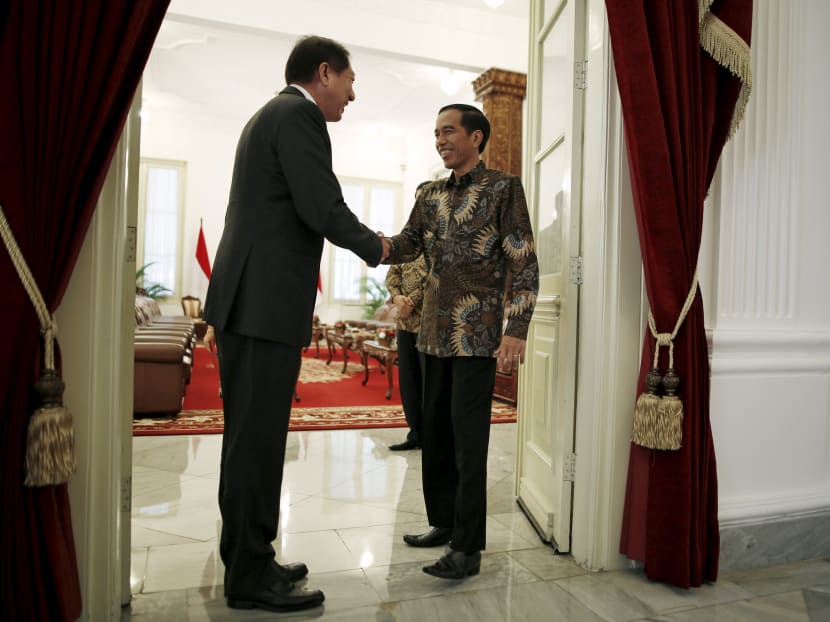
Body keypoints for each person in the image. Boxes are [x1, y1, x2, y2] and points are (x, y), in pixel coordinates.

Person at [203, 35, 390, 613]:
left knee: (250, 441)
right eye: (350, 82)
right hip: (261, 304)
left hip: (250, 300)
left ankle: (250, 553)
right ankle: (250, 577)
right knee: (256, 443)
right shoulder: (298, 116)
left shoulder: (270, 115)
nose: (352, 96)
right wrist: (380, 247)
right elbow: (321, 206)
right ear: (325, 73)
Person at [383, 104, 539, 580]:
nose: (440, 140)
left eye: (448, 131)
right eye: (435, 133)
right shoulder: (428, 194)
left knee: (469, 444)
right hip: (430, 335)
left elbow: (523, 262)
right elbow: (408, 243)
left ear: (476, 136)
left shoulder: (503, 189)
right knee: (435, 436)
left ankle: (467, 548)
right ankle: (442, 523)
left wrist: (516, 329)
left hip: (475, 337)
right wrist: (373, 245)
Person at [385, 254, 427, 450]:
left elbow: (436, 274)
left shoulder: (437, 239)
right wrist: (396, 297)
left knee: (429, 383)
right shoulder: (407, 245)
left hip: (429, 326)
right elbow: (393, 273)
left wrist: (410, 301)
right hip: (404, 324)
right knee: (408, 382)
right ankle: (415, 434)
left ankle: (432, 436)